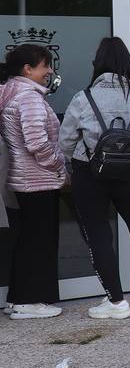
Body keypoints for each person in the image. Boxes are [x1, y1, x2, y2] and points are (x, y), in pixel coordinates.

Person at [59, 37, 130, 320]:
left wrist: (86, 153)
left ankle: (116, 302)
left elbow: (64, 142)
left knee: (98, 235)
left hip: (89, 174)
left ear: (97, 64)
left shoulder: (83, 98)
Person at [0, 45, 66, 319]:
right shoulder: (28, 98)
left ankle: (18, 299)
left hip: (20, 181)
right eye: (44, 65)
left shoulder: (8, 92)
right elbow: (37, 141)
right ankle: (30, 301)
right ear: (28, 69)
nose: (49, 71)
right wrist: (59, 164)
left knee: (26, 240)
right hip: (37, 181)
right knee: (38, 242)